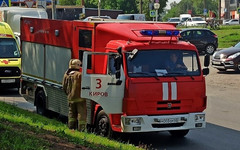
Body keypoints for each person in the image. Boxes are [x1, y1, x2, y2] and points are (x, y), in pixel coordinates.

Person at [62, 59, 87, 131]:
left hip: (70, 98)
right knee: (81, 114)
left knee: (72, 114)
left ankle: (71, 127)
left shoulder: (66, 74)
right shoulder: (79, 75)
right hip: (80, 99)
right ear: (78, 65)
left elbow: (64, 86)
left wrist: (68, 94)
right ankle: (81, 129)